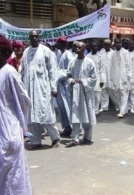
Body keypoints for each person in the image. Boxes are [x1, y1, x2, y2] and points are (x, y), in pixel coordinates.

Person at [0, 35, 32, 195]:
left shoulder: (9, 73)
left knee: (13, 179)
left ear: (3, 53)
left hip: (9, 132)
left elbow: (24, 101)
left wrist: (19, 128)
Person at [21, 30, 60, 149]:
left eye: (36, 36)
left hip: (43, 88)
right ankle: (35, 141)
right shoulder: (26, 52)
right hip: (29, 89)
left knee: (46, 114)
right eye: (31, 36)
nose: (34, 38)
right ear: (29, 38)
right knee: (31, 117)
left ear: (39, 37)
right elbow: (22, 71)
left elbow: (53, 70)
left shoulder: (46, 51)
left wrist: (53, 87)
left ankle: (55, 138)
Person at [66, 41, 97, 147]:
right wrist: (71, 80)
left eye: (80, 48)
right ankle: (74, 138)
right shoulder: (72, 62)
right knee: (75, 114)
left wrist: (83, 81)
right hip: (75, 92)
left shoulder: (89, 62)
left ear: (84, 49)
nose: (77, 49)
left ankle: (87, 137)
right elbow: (68, 75)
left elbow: (94, 78)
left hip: (85, 92)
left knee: (86, 114)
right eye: (76, 47)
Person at [56, 36, 74, 136]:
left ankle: (72, 128)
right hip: (60, 85)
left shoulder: (68, 55)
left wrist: (60, 75)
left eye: (58, 43)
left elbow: (70, 70)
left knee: (68, 107)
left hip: (66, 85)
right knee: (62, 108)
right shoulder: (59, 54)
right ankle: (67, 127)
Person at [111, 38, 132, 118]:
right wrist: (112, 77)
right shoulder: (113, 54)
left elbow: (128, 65)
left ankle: (122, 111)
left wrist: (129, 77)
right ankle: (124, 109)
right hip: (116, 76)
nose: (117, 45)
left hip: (124, 77)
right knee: (118, 93)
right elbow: (112, 66)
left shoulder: (125, 52)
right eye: (116, 43)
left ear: (121, 43)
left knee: (124, 93)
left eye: (118, 43)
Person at [100, 39, 118, 112]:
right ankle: (104, 107)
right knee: (103, 91)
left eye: (107, 44)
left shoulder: (113, 53)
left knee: (113, 92)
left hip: (111, 75)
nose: (105, 46)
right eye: (104, 44)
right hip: (103, 74)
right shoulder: (101, 53)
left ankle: (117, 106)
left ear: (110, 45)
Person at [87, 41, 105, 115]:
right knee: (90, 96)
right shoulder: (87, 57)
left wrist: (102, 80)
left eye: (97, 46)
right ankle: (91, 111)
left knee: (97, 96)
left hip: (98, 79)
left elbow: (102, 69)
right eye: (94, 46)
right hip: (90, 79)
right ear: (91, 47)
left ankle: (96, 111)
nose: (95, 48)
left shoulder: (100, 57)